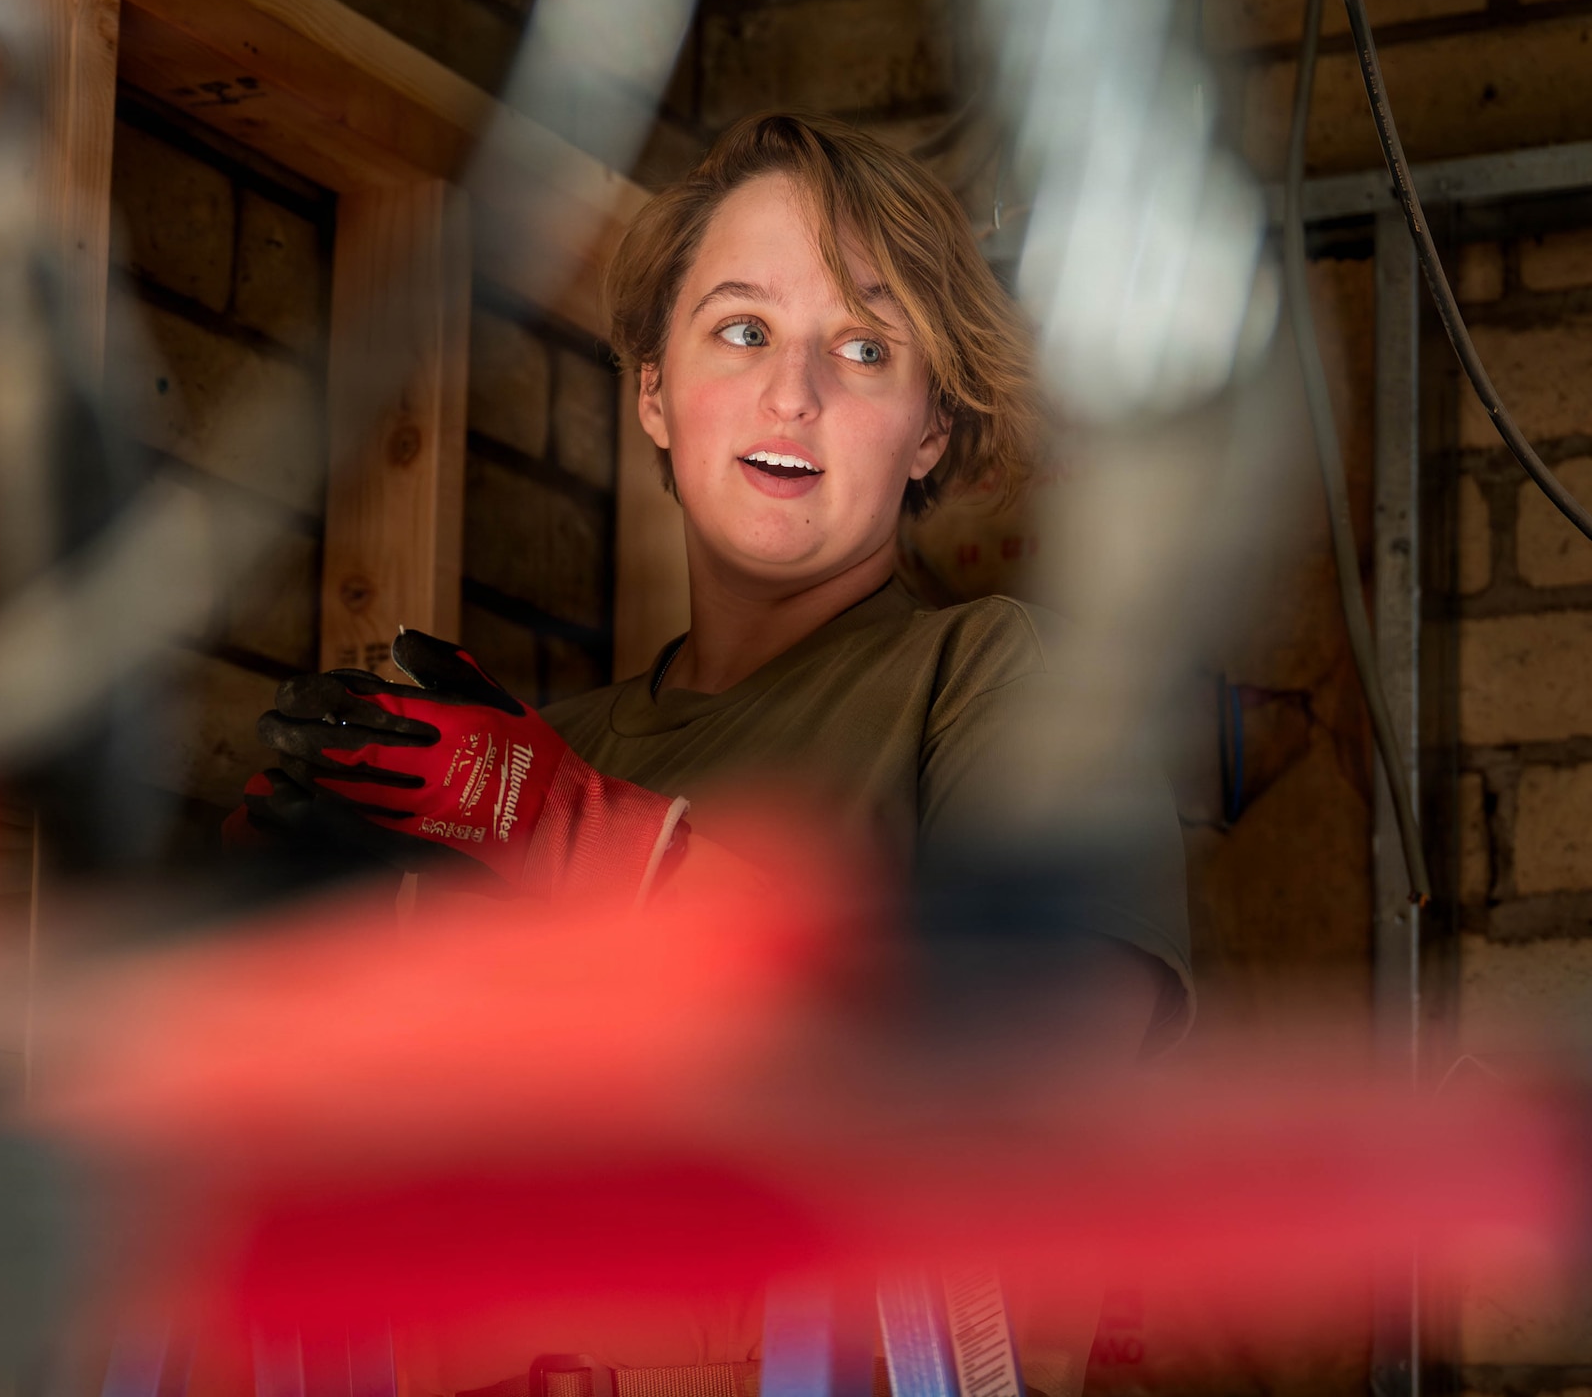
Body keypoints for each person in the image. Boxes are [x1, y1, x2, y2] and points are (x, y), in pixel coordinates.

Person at [236, 111, 1192, 1397]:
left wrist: (578, 840)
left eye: (864, 348)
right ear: (652, 390)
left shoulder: (999, 681)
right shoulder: (541, 755)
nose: (792, 393)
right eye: (741, 330)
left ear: (928, 429)